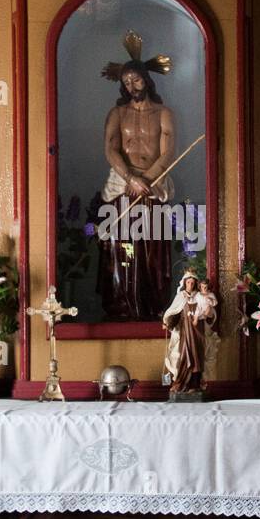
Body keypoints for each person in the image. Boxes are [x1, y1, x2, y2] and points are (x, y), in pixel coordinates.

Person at [97, 32, 175, 320]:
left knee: (151, 248)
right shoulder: (117, 114)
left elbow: (168, 152)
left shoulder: (164, 113)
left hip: (154, 184)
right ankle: (122, 305)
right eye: (126, 82)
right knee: (122, 245)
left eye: (136, 80)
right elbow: (110, 149)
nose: (132, 86)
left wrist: (147, 180)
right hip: (123, 184)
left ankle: (153, 304)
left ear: (147, 79)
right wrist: (131, 179)